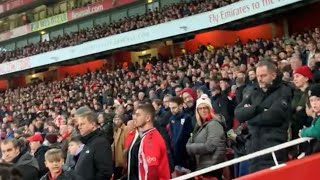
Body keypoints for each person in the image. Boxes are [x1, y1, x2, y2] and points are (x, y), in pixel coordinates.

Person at [235, 60, 293, 173]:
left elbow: (273, 116)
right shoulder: (254, 92)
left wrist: (250, 117)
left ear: (273, 75)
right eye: (258, 76)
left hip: (274, 151)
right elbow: (238, 113)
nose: (260, 79)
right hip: (253, 152)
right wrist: (258, 109)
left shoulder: (284, 91)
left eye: (263, 75)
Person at [186, 94, 226, 180]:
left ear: (210, 109)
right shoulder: (200, 125)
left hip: (211, 169)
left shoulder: (214, 124)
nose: (203, 110)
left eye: (205, 108)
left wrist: (190, 147)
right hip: (204, 167)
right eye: (200, 108)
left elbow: (210, 146)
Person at [126, 104, 170, 180]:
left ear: (148, 118)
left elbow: (152, 170)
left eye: (138, 115)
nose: (134, 118)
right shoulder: (147, 136)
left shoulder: (151, 139)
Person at [74, 106, 113, 180]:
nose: (79, 127)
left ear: (93, 124)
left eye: (82, 124)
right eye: (78, 125)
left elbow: (105, 172)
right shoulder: (88, 142)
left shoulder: (100, 143)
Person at [300, 84, 320, 153]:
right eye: (311, 100)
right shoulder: (317, 117)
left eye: (318, 99)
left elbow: (317, 131)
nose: (314, 103)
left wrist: (303, 132)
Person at [112, 114, 128, 179]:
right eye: (115, 119)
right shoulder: (116, 130)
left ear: (122, 120)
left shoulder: (126, 129)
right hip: (116, 158)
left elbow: (126, 144)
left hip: (122, 158)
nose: (117, 121)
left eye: (118, 119)